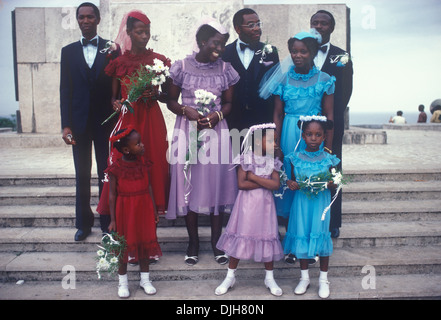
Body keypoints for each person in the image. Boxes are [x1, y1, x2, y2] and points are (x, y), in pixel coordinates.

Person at [165, 22, 240, 266]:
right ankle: (193, 243)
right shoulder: (182, 67)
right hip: (187, 130)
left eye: (222, 44)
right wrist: (187, 111)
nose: (219, 48)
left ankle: (217, 243)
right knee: (189, 183)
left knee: (216, 184)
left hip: (216, 132)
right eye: (215, 43)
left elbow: (229, 103)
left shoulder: (225, 69)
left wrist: (217, 116)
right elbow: (170, 101)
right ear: (202, 43)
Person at [259, 31, 335, 247]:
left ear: (313, 53)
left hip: (314, 136)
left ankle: (308, 240)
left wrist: (327, 149)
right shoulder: (283, 78)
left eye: (303, 51)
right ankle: (289, 239)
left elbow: (330, 116)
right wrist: (276, 142)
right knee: (288, 185)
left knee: (309, 186)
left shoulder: (325, 80)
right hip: (289, 133)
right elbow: (277, 113)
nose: (297, 55)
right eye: (294, 51)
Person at [96, 10, 170, 222]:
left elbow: (167, 96)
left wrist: (157, 94)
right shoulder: (120, 63)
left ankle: (152, 219)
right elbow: (114, 98)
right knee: (125, 166)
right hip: (129, 121)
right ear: (129, 32)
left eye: (147, 32)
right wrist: (116, 102)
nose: (144, 36)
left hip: (152, 119)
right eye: (139, 32)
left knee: (154, 163)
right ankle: (125, 219)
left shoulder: (158, 61)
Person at [60, 2, 119, 241]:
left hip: (106, 122)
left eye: (89, 17)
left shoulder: (111, 48)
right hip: (79, 123)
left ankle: (107, 222)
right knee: (81, 174)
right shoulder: (68, 51)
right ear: (77, 20)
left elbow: (119, 83)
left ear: (98, 19)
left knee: (106, 173)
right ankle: (83, 224)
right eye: (81, 17)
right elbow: (65, 90)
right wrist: (66, 125)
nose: (85, 21)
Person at [215, 123, 284, 297]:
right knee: (241, 237)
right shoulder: (246, 158)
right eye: (270, 140)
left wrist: (252, 176)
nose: (275, 144)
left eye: (275, 141)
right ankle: (230, 276)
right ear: (257, 142)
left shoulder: (273, 161)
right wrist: (262, 180)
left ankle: (269, 277)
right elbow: (241, 184)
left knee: (267, 238)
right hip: (246, 207)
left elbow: (275, 185)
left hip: (265, 207)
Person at [283, 116, 340, 299]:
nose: (313, 138)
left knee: (321, 237)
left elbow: (337, 181)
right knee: (303, 236)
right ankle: (304, 278)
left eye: (318, 134)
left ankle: (323, 280)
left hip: (320, 205)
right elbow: (290, 179)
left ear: (324, 137)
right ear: (303, 135)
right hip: (301, 204)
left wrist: (328, 183)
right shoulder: (294, 158)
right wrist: (290, 183)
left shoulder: (329, 159)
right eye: (309, 134)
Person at [310, 10, 353, 239]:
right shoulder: (302, 51)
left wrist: (328, 117)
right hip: (303, 124)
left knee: (333, 170)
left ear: (331, 27)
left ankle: (333, 220)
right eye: (314, 22)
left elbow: (345, 92)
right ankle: (305, 218)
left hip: (331, 124)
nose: (318, 26)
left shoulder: (342, 56)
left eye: (323, 23)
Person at [106, 126, 162, 298]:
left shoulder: (144, 164)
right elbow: (112, 195)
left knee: (145, 244)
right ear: (125, 149)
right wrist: (113, 219)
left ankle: (145, 280)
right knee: (123, 247)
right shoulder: (116, 168)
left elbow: (150, 187)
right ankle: (122, 282)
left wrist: (153, 210)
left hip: (143, 209)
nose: (142, 145)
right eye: (138, 144)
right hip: (125, 211)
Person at [223, 8, 280, 140]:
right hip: (233, 122)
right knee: (235, 160)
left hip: (263, 121)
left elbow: (276, 88)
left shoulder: (271, 52)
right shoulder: (225, 53)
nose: (256, 28)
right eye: (251, 25)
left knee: (263, 160)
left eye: (258, 24)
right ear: (238, 29)